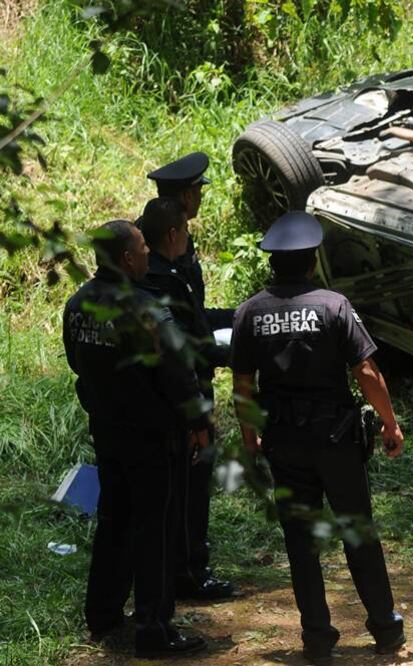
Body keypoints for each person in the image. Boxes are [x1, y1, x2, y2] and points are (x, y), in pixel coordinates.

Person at [229, 211, 406, 662]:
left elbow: (242, 385)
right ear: (312, 263)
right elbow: (365, 370)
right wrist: (390, 422)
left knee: (301, 543)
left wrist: (250, 439)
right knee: (357, 531)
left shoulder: (249, 312)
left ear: (273, 263)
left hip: (284, 443)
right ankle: (386, 629)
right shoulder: (333, 306)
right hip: (336, 440)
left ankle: (317, 639)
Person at [63, 220, 210, 657]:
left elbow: (76, 363)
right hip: (152, 437)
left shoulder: (78, 303)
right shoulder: (147, 311)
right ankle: (154, 628)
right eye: (143, 246)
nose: (149, 251)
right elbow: (178, 375)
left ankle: (103, 614)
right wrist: (198, 423)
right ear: (128, 258)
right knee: (156, 530)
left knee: (114, 520)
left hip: (108, 432)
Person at [146, 154, 235, 600]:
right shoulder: (157, 263)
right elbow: (178, 340)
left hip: (192, 379)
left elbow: (195, 315)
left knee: (193, 482)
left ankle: (188, 565)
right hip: (181, 390)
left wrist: (241, 314)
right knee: (187, 485)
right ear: (185, 197)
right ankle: (188, 573)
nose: (201, 196)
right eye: (198, 190)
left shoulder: (178, 246)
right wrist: (229, 354)